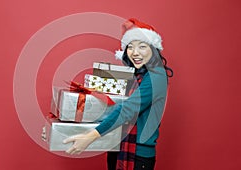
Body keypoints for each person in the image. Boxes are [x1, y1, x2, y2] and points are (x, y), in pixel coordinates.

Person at [63, 18, 173, 170]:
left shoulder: (156, 76)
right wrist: (59, 127)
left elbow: (127, 110)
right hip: (117, 146)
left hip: (137, 155)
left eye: (142, 46)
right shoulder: (135, 75)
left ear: (153, 49)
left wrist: (89, 137)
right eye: (130, 47)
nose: (135, 53)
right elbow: (107, 108)